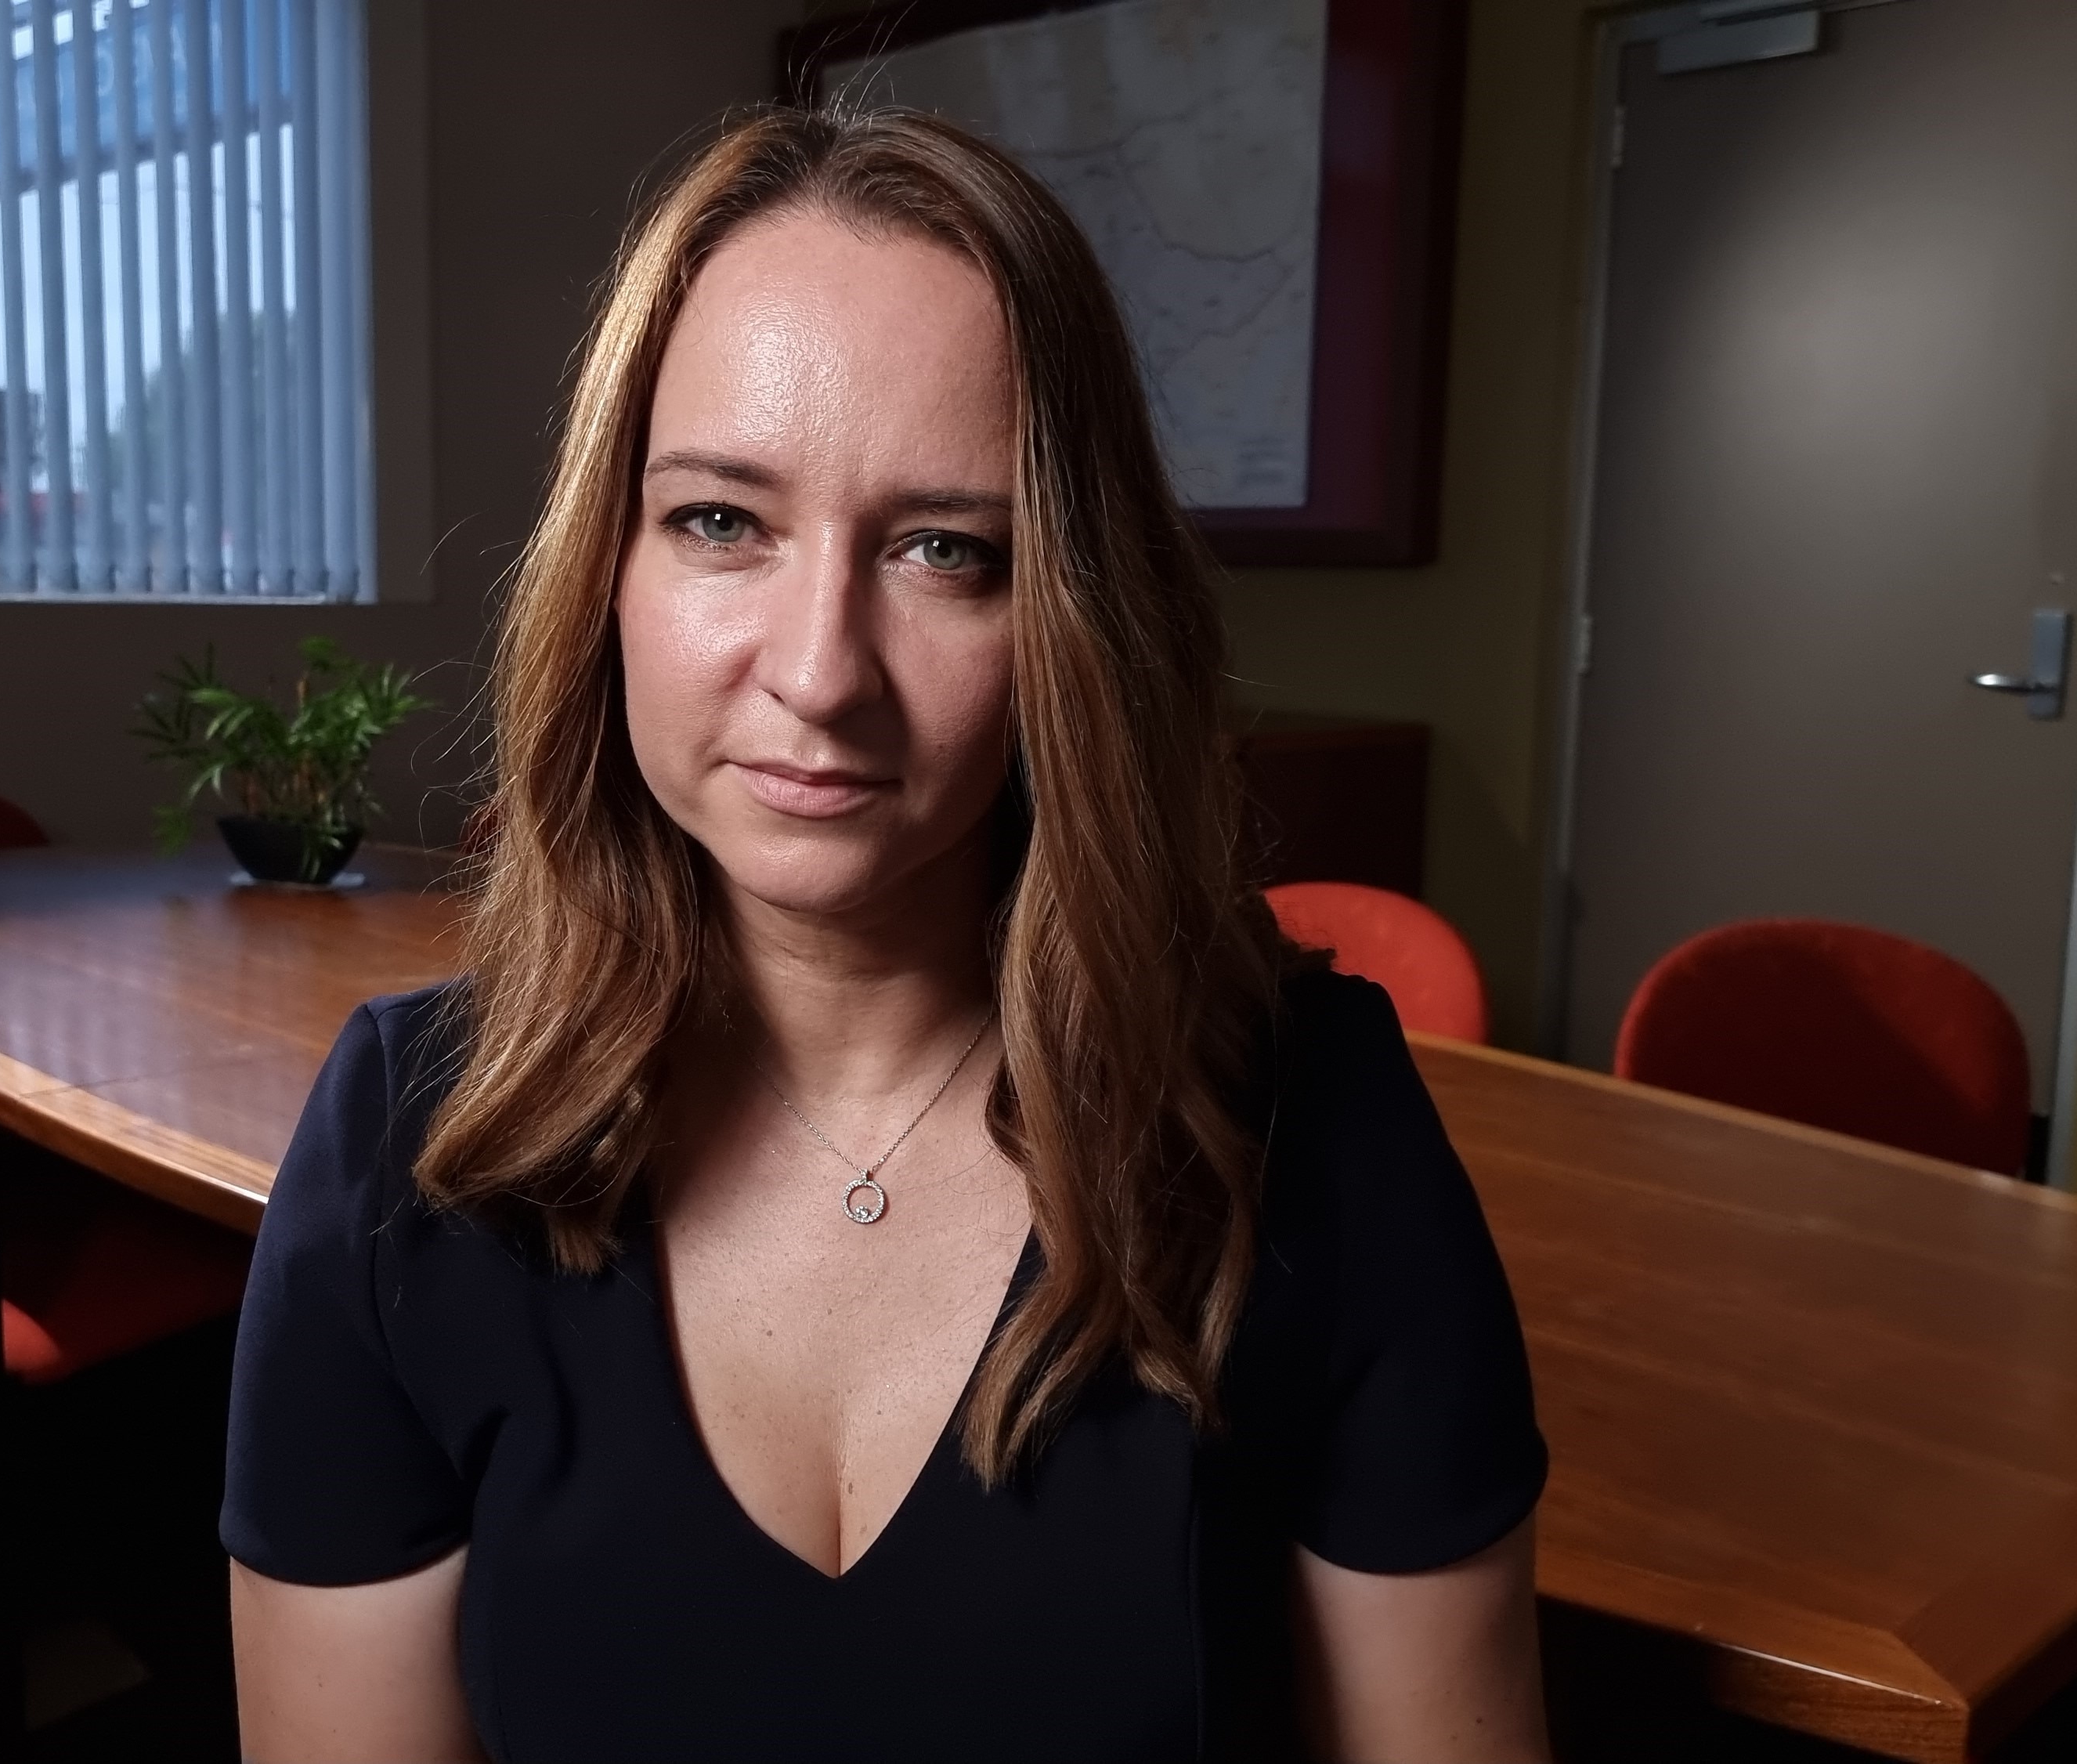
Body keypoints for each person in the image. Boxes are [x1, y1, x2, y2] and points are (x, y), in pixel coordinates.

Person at [221, 107, 1549, 1763]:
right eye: (721, 521)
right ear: (607, 569)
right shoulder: (401, 1151)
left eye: (945, 550)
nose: (820, 669)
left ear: (1071, 614)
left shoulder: (1312, 1127)